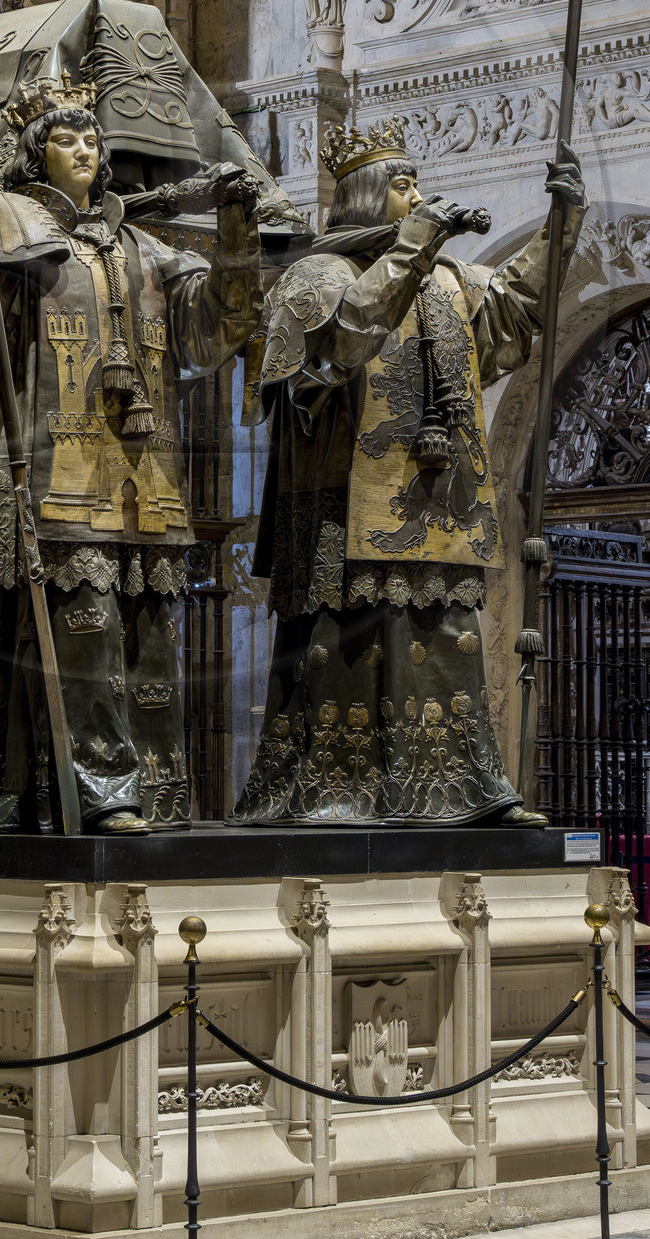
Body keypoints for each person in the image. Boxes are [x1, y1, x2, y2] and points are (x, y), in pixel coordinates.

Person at [0, 44, 262, 831]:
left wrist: (236, 230)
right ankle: (94, 793)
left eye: (93, 138)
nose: (85, 149)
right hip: (53, 476)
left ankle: (154, 792)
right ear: (37, 153)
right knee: (84, 639)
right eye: (66, 138)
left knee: (149, 652)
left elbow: (215, 330)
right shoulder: (11, 222)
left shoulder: (145, 249)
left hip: (142, 478)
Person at [234, 118, 586, 824]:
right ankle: (341, 793)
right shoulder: (316, 275)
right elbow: (344, 341)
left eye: (418, 184)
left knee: (448, 645)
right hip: (342, 517)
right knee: (351, 653)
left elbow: (516, 309)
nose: (418, 196)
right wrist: (414, 247)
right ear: (369, 196)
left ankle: (463, 791)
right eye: (402, 185)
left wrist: (560, 226)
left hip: (436, 506)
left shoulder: (443, 281)